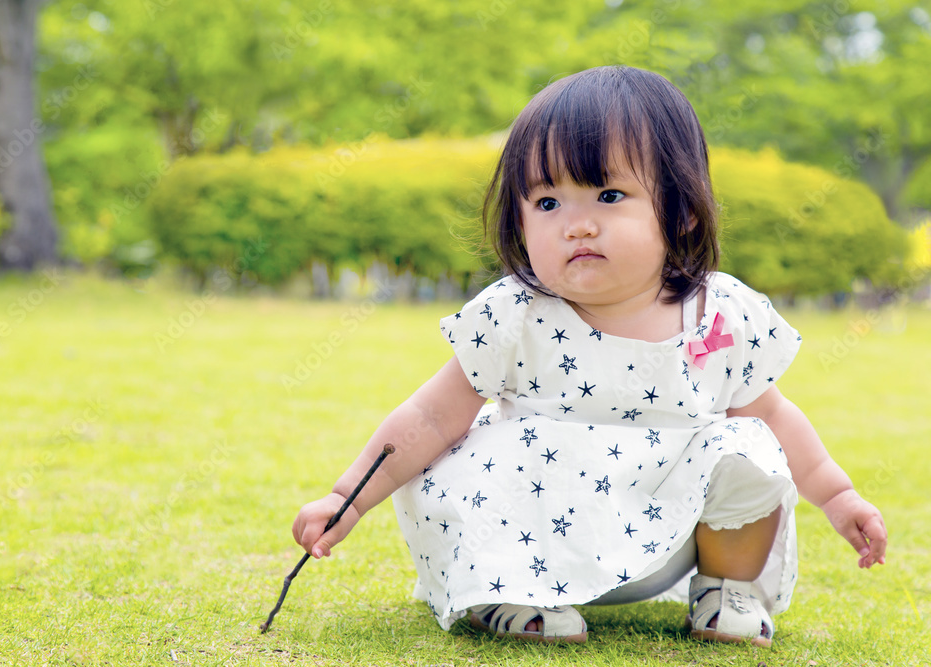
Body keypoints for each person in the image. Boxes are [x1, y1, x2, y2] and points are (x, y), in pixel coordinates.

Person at [292, 65, 887, 647]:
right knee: (481, 449)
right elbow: (428, 419)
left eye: (608, 195)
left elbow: (774, 418)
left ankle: (725, 588)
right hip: (534, 538)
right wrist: (346, 499)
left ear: (680, 209)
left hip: (670, 533)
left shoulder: (718, 312)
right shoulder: (516, 314)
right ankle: (509, 593)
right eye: (548, 203)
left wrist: (838, 496)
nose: (577, 225)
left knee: (748, 446)